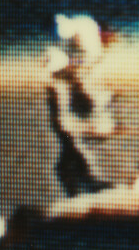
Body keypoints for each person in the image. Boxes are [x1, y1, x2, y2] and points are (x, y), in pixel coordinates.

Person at [43, 12, 116, 196]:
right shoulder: (60, 67)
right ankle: (84, 180)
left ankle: (79, 180)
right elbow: (63, 118)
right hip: (65, 96)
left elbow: (84, 81)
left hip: (72, 89)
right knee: (70, 141)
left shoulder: (84, 36)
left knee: (71, 144)